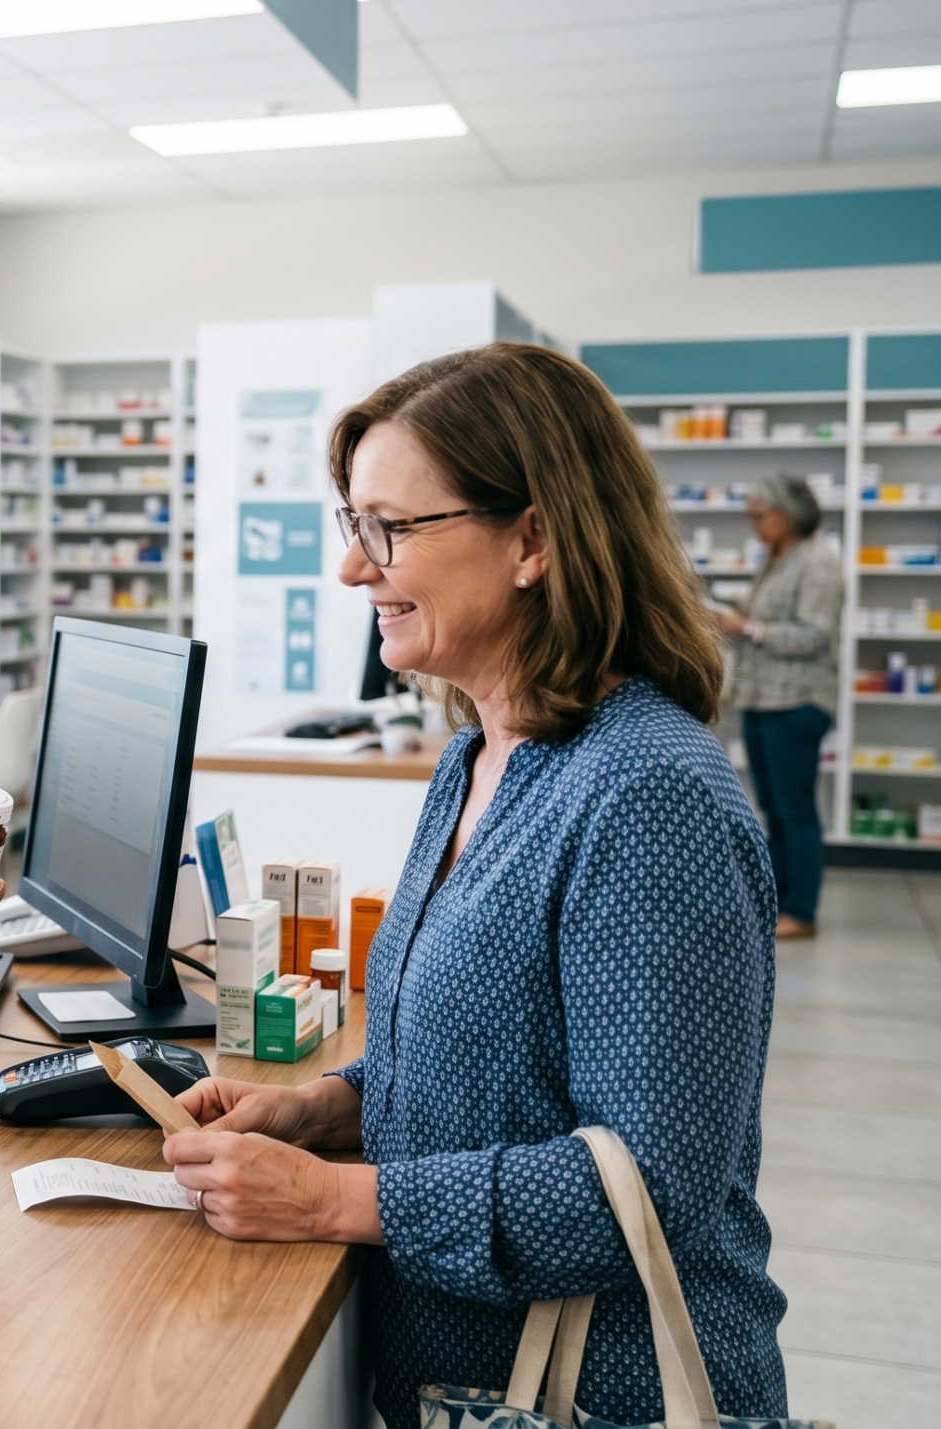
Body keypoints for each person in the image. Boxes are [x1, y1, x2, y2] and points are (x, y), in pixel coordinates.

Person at [158, 344, 788, 1428]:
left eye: (389, 529)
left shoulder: (648, 794)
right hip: (461, 1377)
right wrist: (325, 1107)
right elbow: (485, 1050)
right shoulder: (477, 755)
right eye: (353, 527)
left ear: (533, 539)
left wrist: (329, 1198)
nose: (355, 570)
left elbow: (645, 1187)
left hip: (604, 1393)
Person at [709, 472, 840, 939]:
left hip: (799, 700)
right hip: (763, 698)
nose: (754, 525)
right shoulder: (777, 558)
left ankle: (802, 910)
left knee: (795, 807)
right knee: (773, 806)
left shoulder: (818, 561)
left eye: (760, 516)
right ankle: (781, 901)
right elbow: (763, 610)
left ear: (788, 513)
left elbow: (815, 634)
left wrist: (747, 627)